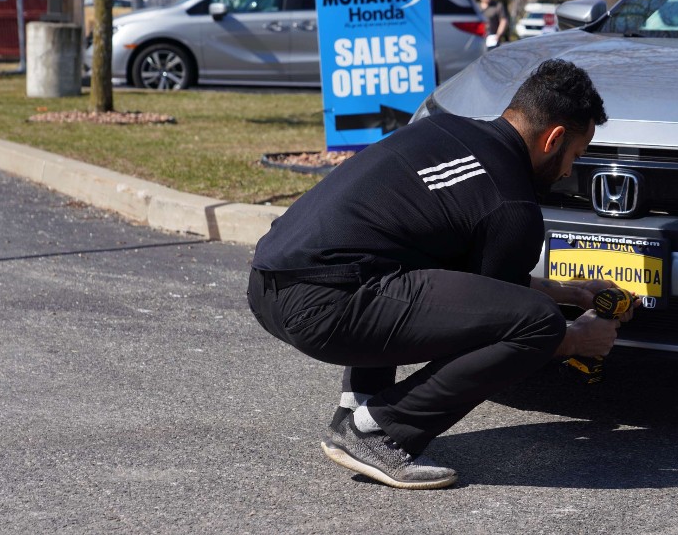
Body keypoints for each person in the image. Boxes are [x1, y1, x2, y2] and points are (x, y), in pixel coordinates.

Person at [247, 59, 627, 490]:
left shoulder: (445, 130)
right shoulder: (511, 205)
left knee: (399, 260)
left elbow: (470, 286)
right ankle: (377, 431)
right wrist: (576, 339)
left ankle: (361, 407)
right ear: (553, 138)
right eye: (574, 155)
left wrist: (572, 292)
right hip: (323, 305)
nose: (566, 172)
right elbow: (509, 315)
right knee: (540, 321)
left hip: (268, 282)